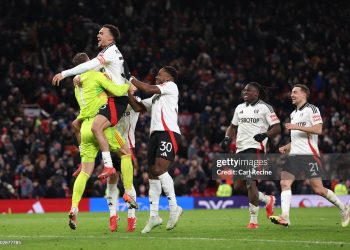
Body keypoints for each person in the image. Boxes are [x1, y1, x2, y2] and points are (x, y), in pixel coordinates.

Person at [66, 53, 137, 232]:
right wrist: (129, 83)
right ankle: (128, 192)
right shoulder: (96, 76)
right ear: (88, 63)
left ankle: (74, 207)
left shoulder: (77, 84)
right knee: (126, 153)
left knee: (85, 172)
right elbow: (119, 91)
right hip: (101, 126)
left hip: (84, 127)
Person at [52, 24, 130, 179]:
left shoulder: (111, 52)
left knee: (98, 129)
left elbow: (92, 65)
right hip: (109, 100)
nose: (98, 35)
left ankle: (109, 167)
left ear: (111, 37)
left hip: (117, 99)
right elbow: (95, 69)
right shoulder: (107, 53)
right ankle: (86, 161)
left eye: (101, 33)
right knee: (76, 124)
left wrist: (65, 73)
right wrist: (78, 76)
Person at [269, 84, 350, 227]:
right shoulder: (293, 114)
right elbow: (297, 139)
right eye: (291, 92)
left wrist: (296, 126)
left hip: (309, 155)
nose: (291, 95)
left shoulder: (312, 109)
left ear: (303, 94)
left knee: (318, 189)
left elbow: (318, 130)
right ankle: (285, 217)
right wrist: (287, 147)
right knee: (284, 183)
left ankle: (344, 208)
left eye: (295, 92)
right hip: (294, 155)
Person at [128, 66, 183, 233]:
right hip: (155, 135)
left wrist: (128, 78)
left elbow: (145, 87)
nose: (156, 75)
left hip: (169, 133)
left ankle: (174, 207)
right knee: (152, 173)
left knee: (160, 169)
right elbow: (138, 107)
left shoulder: (171, 87)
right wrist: (126, 92)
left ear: (169, 77)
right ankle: (154, 216)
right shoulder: (156, 96)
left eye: (160, 73)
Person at [221, 82, 281, 229]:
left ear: (257, 93)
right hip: (240, 150)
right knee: (238, 187)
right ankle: (268, 200)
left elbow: (277, 127)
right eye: (244, 90)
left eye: (249, 90)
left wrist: (265, 134)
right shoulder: (239, 108)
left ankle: (253, 220)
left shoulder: (265, 107)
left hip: (255, 149)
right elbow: (232, 126)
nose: (245, 92)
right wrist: (227, 138)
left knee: (250, 182)